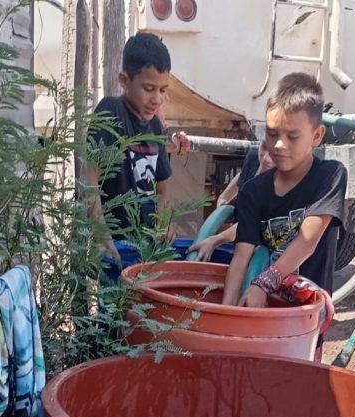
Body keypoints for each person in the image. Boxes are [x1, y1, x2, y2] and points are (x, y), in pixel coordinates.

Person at [221, 73, 347, 325]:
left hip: (305, 316)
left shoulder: (329, 176)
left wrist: (264, 282)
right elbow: (241, 256)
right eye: (272, 133)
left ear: (317, 135)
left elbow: (307, 241)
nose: (278, 144)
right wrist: (226, 313)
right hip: (261, 312)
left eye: (292, 136)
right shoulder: (253, 191)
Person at [86, 33, 190, 263]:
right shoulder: (110, 112)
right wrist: (102, 236)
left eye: (163, 90)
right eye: (149, 88)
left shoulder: (155, 126)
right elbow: (89, 181)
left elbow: (163, 189)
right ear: (124, 80)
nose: (157, 98)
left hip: (144, 247)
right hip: (113, 246)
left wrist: (164, 224)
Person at [188, 140, 274, 262]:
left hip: (261, 252)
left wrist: (216, 240)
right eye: (264, 147)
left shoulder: (279, 183)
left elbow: (250, 224)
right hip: (239, 242)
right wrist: (224, 197)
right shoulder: (254, 158)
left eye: (274, 154)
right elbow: (243, 174)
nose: (266, 158)